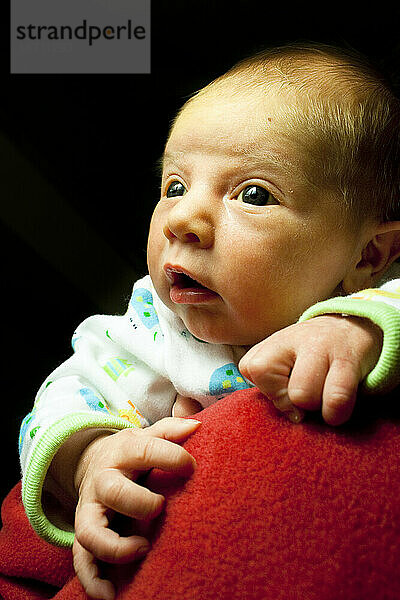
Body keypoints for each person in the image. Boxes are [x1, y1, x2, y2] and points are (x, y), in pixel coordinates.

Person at [19, 42, 400, 599]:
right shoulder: (150, 325)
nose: (184, 220)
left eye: (252, 194)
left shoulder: (379, 302)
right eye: (175, 186)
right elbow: (65, 395)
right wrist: (91, 456)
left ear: (366, 257)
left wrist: (358, 331)